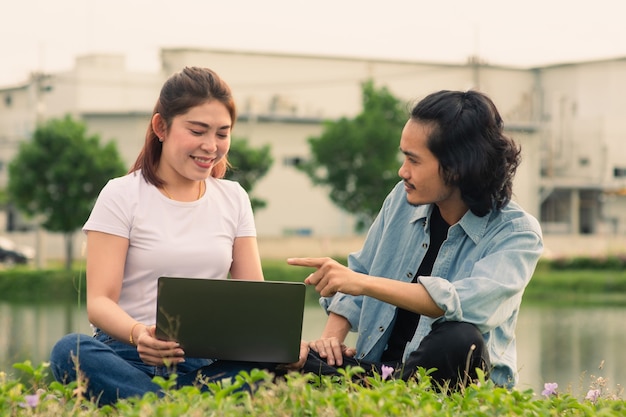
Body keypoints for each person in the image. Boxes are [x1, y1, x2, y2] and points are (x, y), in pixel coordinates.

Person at [288, 89, 543, 391]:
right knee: (283, 354)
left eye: (414, 160)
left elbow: (458, 303)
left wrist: (364, 284)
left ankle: (371, 390)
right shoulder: (401, 198)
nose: (402, 171)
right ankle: (358, 384)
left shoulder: (516, 233)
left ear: (457, 167)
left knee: (460, 339)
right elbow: (359, 274)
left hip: (449, 380)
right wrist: (329, 342)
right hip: (375, 370)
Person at [49, 67, 266, 405]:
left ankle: (157, 406)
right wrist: (139, 335)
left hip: (204, 362)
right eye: (198, 131)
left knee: (260, 364)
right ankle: (183, 406)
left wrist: (276, 343)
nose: (211, 146)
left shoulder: (234, 198)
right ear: (160, 127)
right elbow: (99, 302)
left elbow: (255, 302)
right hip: (127, 355)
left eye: (222, 134)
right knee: (69, 350)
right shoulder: (121, 194)